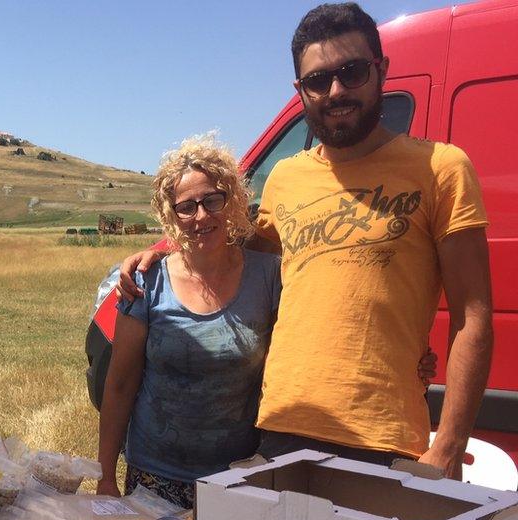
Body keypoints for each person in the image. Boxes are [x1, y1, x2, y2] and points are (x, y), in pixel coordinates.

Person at [116, 3, 492, 479]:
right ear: (301, 91)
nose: (335, 91)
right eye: (317, 80)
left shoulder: (442, 168)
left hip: (385, 439)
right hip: (279, 434)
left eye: (351, 72)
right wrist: (168, 256)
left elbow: (473, 316)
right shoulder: (285, 178)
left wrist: (449, 448)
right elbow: (234, 263)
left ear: (382, 71)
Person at [97, 135, 280, 508]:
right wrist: (105, 477)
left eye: (212, 199)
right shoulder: (148, 280)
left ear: (233, 200)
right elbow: (119, 384)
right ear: (170, 214)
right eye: (186, 207)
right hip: (153, 477)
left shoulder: (268, 276)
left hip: (236, 478)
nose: (201, 216)